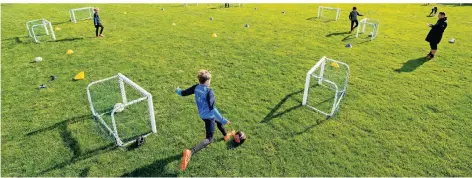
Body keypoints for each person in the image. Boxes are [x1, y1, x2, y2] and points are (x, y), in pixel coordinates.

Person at [176, 70, 234, 171]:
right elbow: (212, 109)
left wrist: (178, 90)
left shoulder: (196, 87)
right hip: (209, 116)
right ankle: (190, 152)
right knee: (209, 139)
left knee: (218, 122)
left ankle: (225, 135)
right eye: (210, 79)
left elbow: (183, 93)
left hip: (202, 114)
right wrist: (224, 119)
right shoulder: (209, 91)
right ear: (207, 81)